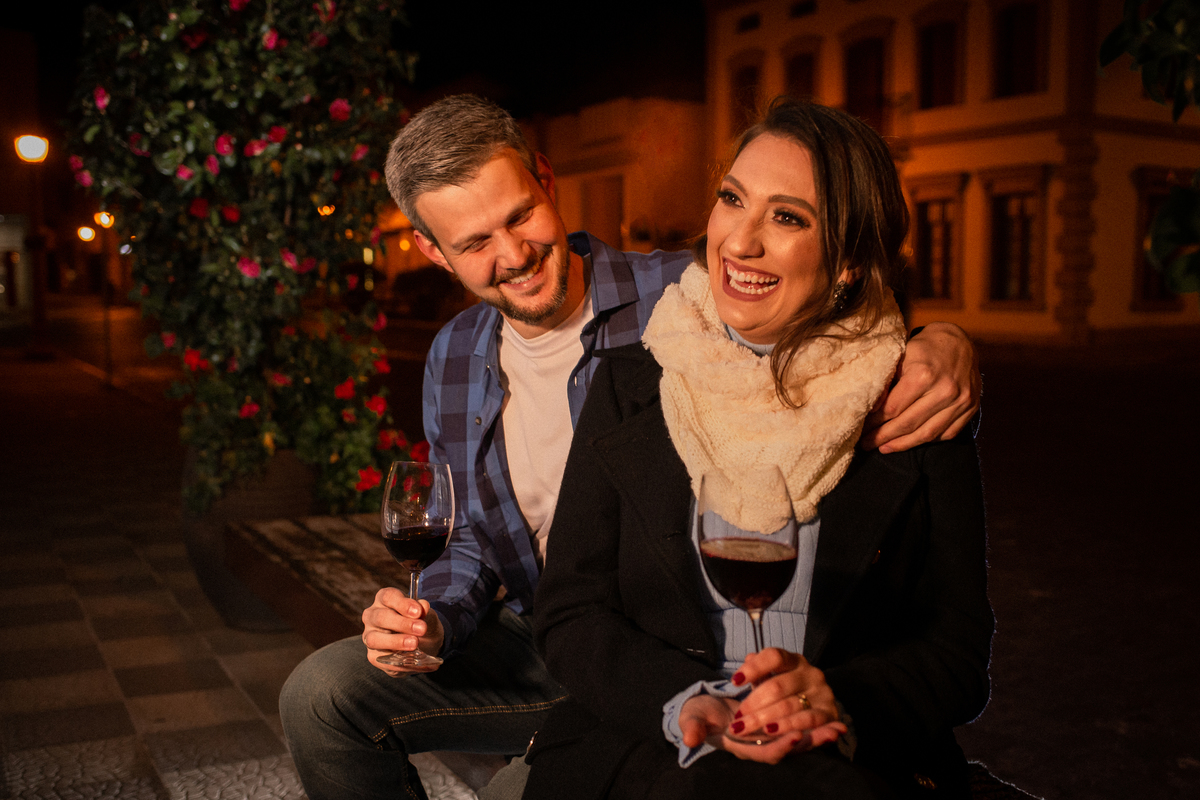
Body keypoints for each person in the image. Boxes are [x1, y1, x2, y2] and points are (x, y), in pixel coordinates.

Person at [279, 94, 982, 800]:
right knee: (320, 697)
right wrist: (431, 617)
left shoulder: (685, 302)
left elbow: (825, 316)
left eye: (520, 216)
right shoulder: (456, 355)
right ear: (434, 251)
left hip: (661, 646)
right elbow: (469, 540)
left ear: (546, 181)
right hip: (550, 636)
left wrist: (941, 342)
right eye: (473, 244)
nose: (514, 255)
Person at [522, 97, 994, 800]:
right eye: (732, 199)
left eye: (787, 217)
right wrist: (687, 701)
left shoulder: (912, 399)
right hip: (655, 748)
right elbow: (569, 614)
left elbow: (957, 655)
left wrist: (837, 700)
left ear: (848, 262)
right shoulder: (630, 386)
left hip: (840, 758)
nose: (740, 242)